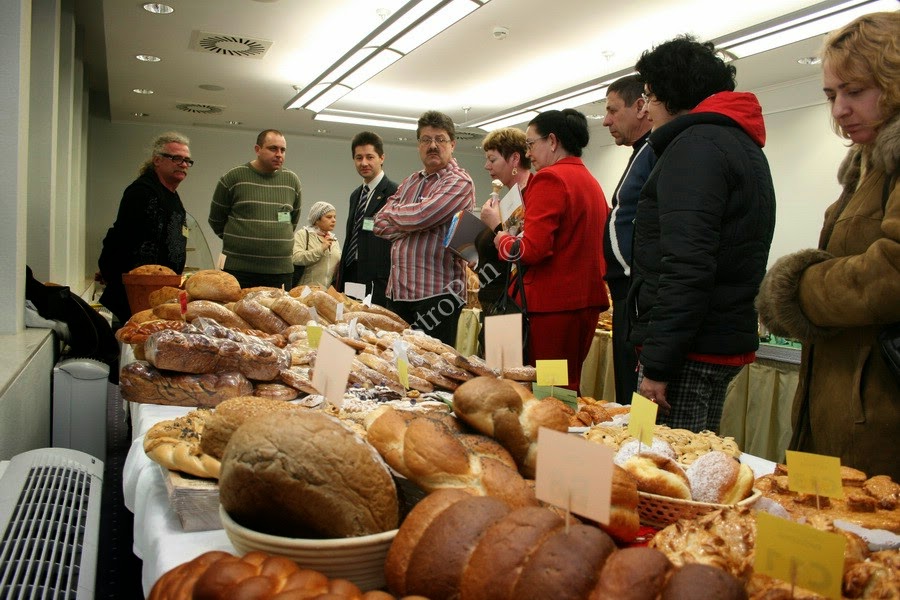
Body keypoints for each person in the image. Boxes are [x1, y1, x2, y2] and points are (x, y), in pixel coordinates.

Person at [756, 11, 899, 480]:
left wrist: (793, 289)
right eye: (831, 95)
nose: (839, 110)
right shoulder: (869, 166)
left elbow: (892, 271)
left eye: (854, 91)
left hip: (880, 415)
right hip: (845, 403)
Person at [629, 35, 776, 433]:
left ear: (672, 95)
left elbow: (686, 265)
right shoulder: (736, 142)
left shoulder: (694, 147)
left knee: (653, 457)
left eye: (649, 96)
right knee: (694, 458)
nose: (646, 109)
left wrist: (657, 366)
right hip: (712, 341)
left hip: (686, 352)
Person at [481, 109, 608, 392]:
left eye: (530, 144)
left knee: (548, 389)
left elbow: (530, 250)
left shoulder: (550, 178)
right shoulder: (590, 180)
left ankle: (551, 424)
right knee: (565, 385)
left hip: (552, 307)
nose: (528, 152)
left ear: (552, 141)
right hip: (583, 303)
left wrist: (500, 236)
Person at [373, 110, 476, 346]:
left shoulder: (459, 181)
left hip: (438, 296)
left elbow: (422, 216)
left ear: (452, 144)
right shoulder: (411, 181)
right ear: (419, 144)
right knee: (399, 363)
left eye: (440, 139)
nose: (433, 146)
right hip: (398, 293)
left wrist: (403, 216)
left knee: (434, 365)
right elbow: (379, 223)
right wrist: (416, 222)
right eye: (426, 139)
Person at [98, 131, 192, 325]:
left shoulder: (171, 195)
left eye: (187, 160)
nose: (183, 164)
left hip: (159, 289)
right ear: (157, 160)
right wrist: (111, 273)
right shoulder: (142, 192)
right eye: (176, 158)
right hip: (138, 294)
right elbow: (123, 240)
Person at [602, 75, 655, 404]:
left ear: (641, 106)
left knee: (635, 404)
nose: (606, 120)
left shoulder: (655, 150)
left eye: (612, 110)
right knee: (626, 398)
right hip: (628, 295)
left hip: (635, 296)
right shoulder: (642, 151)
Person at [209, 129, 302, 290]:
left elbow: (291, 221)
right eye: (273, 148)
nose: (279, 154)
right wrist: (241, 240)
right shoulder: (234, 178)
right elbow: (216, 219)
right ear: (257, 149)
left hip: (280, 272)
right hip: (239, 271)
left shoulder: (292, 181)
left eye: (283, 150)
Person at [474, 127, 532, 313]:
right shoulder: (509, 199)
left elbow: (520, 251)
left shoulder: (530, 196)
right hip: (494, 300)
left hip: (508, 301)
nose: (487, 166)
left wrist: (495, 225)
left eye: (492, 160)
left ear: (515, 159)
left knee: (504, 336)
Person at [338, 131, 397, 306]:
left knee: (371, 321)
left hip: (377, 279)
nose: (364, 163)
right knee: (349, 318)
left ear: (382, 158)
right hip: (352, 272)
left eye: (370, 157)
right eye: (359, 158)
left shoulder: (394, 193)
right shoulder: (355, 195)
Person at [292, 202, 342, 288]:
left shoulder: (334, 239)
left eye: (334, 217)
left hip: (326, 292)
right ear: (316, 220)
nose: (334, 220)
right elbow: (296, 258)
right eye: (329, 217)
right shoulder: (303, 234)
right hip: (305, 291)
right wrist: (321, 249)